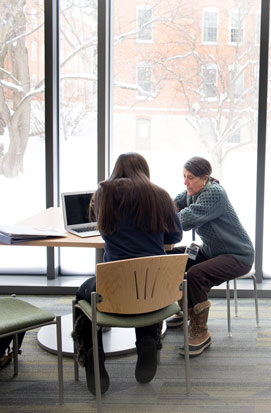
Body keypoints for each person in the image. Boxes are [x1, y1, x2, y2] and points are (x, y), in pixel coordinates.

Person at [72, 152, 183, 395]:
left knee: (82, 293)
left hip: (113, 288)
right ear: (145, 170)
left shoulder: (103, 193)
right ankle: (148, 342)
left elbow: (104, 230)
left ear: (115, 170)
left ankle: (92, 354)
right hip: (154, 287)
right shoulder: (160, 195)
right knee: (146, 292)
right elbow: (176, 237)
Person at [167, 156, 254, 357]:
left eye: (190, 177)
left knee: (196, 274)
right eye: (184, 176)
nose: (185, 182)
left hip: (237, 254)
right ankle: (185, 309)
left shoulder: (214, 193)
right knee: (171, 258)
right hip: (212, 250)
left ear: (205, 178)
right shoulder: (192, 191)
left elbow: (185, 219)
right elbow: (171, 205)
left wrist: (164, 216)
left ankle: (201, 332)